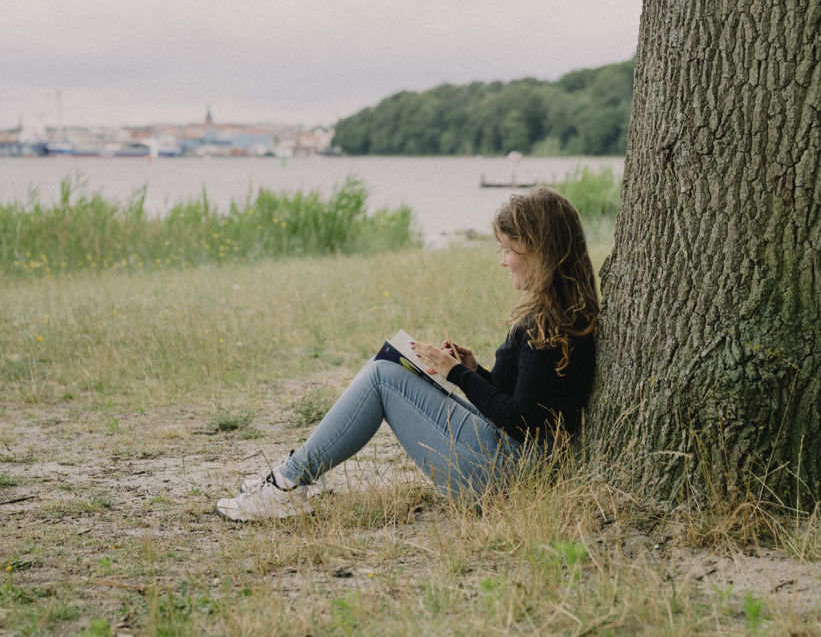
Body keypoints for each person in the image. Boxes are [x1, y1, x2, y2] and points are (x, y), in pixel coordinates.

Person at [214, 187, 599, 521]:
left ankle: (285, 484)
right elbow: (525, 401)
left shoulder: (549, 326)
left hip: (507, 474)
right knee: (386, 367)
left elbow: (521, 422)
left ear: (539, 250)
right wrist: (473, 369)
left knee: (382, 377)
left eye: (509, 249)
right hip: (517, 462)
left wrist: (457, 375)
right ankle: (294, 475)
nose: (502, 260)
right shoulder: (562, 314)